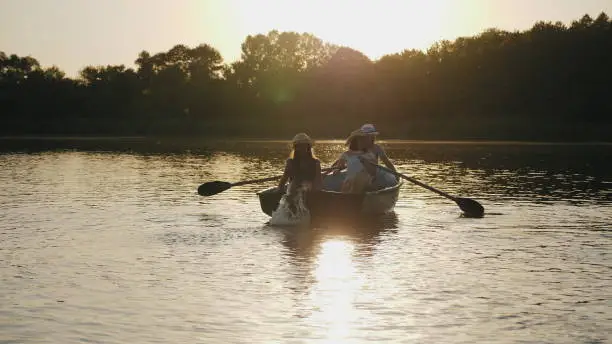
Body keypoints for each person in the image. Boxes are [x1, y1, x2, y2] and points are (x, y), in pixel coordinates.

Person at [270, 133, 322, 225]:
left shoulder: (315, 162)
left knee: (302, 186)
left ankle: (303, 212)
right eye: (299, 147)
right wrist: (279, 188)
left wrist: (317, 191)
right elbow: (285, 177)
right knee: (294, 184)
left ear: (308, 147)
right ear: (295, 148)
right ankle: (291, 211)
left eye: (303, 146)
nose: (301, 149)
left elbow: (318, 179)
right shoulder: (290, 162)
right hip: (294, 186)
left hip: (308, 185)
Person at [326, 129, 375, 194]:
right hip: (349, 180)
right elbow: (340, 166)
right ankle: (346, 198)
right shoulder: (346, 154)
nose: (363, 142)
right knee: (348, 183)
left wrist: (366, 163)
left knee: (358, 179)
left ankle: (353, 196)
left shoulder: (369, 154)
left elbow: (373, 171)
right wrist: (337, 169)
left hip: (365, 180)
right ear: (354, 141)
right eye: (360, 140)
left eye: (363, 140)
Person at [357, 123, 398, 188]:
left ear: (373, 137)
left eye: (369, 136)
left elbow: (387, 162)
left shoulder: (377, 148)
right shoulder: (357, 148)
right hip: (360, 174)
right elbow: (347, 159)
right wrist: (338, 167)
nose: (366, 138)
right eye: (365, 136)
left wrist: (395, 174)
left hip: (373, 175)